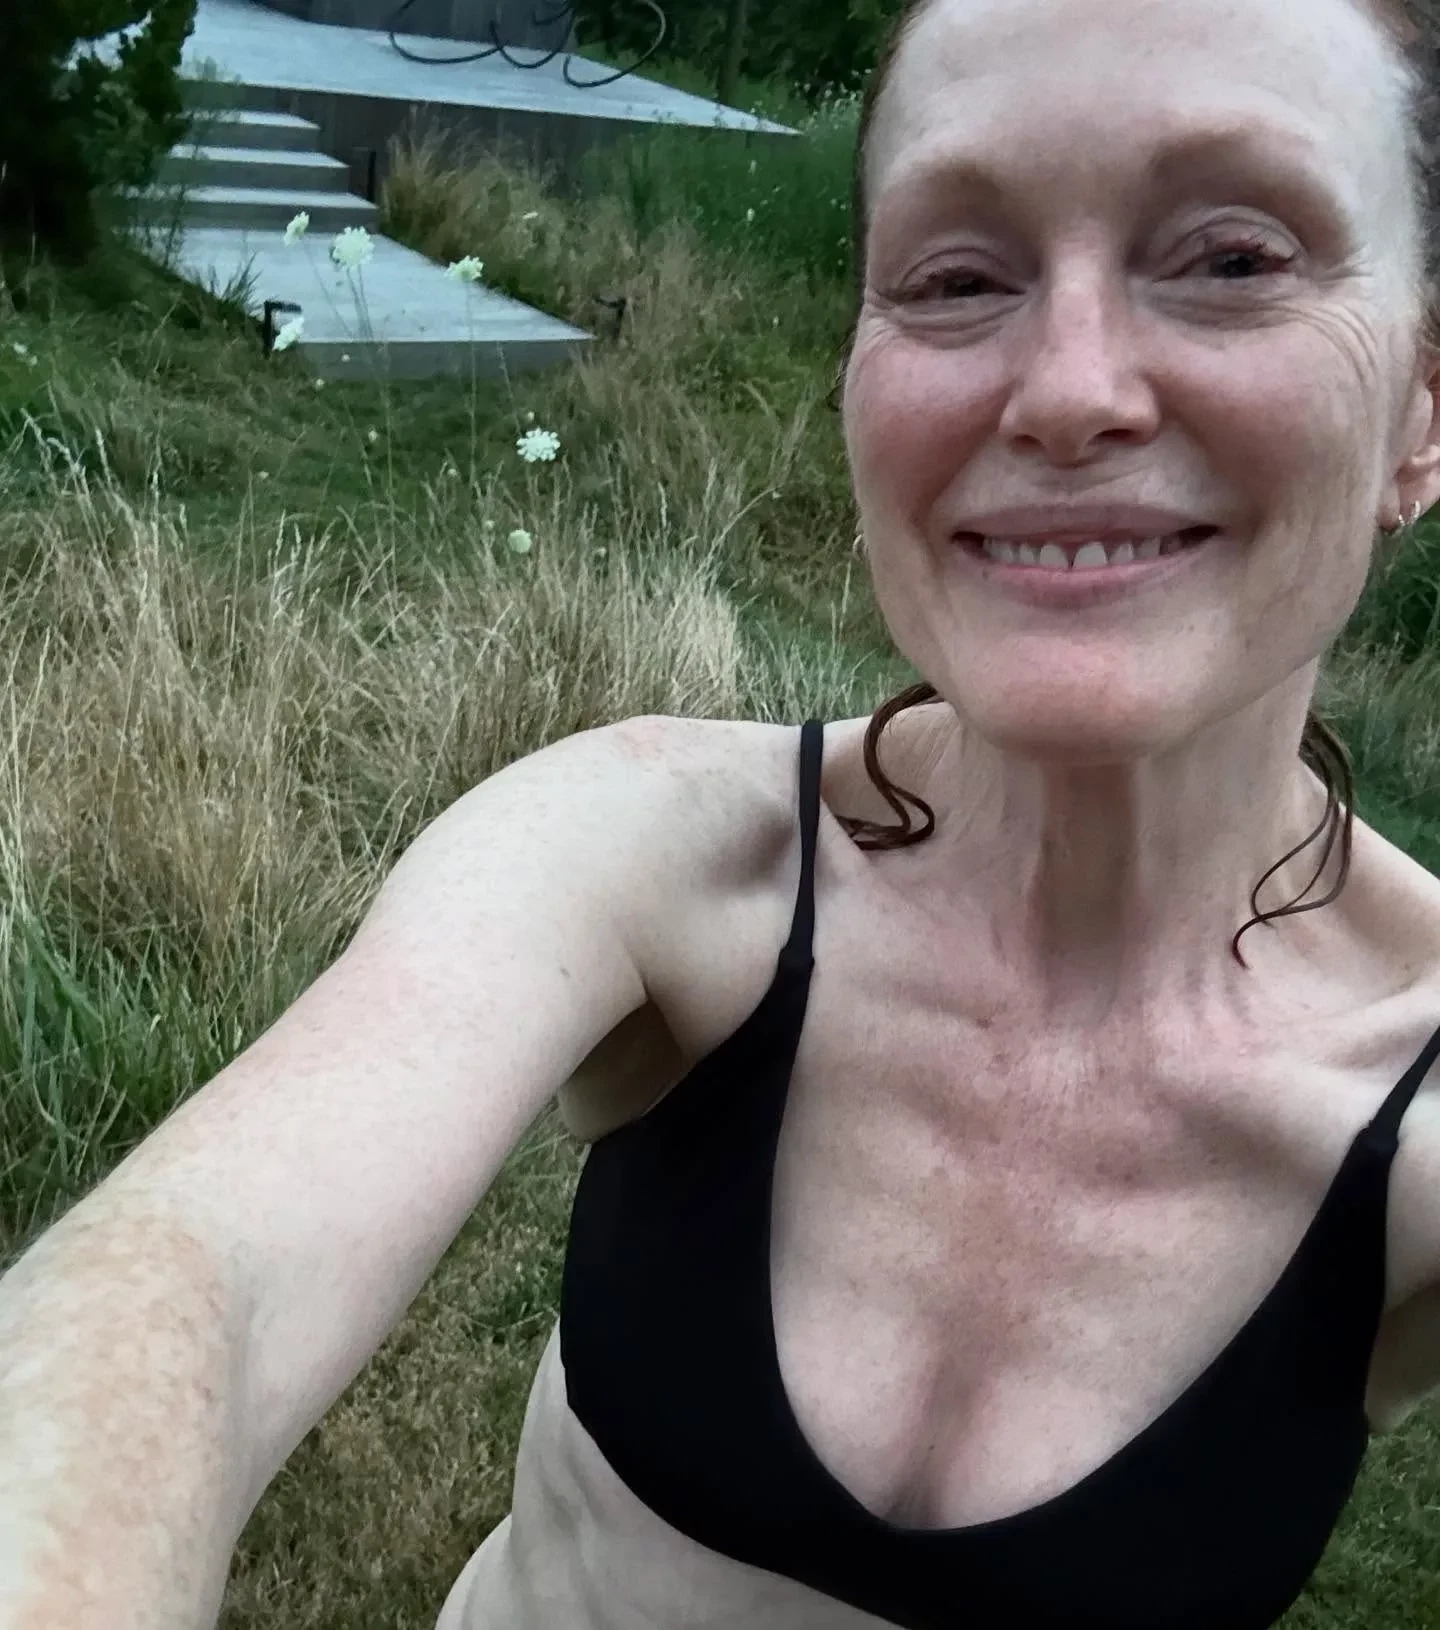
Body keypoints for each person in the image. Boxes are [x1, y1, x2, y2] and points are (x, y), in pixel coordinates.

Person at [7, 0, 1440, 1625]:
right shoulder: (661, 849)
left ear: (1424, 406)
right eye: (955, 279)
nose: (1068, 389)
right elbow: (198, 1267)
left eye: (1235, 258)